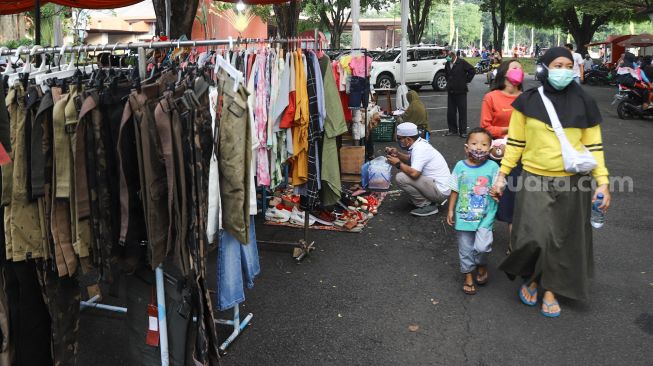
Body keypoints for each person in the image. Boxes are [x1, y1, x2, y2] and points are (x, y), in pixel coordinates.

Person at [490, 47, 611, 318]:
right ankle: (532, 275)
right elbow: (516, 143)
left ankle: (549, 289)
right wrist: (502, 175)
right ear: (545, 67)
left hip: (573, 181)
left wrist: (602, 182)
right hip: (533, 177)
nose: (564, 70)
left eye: (569, 65)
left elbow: (594, 146)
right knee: (533, 236)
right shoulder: (528, 101)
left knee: (562, 239)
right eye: (558, 64)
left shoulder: (585, 102)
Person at [446, 127, 500, 295]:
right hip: (464, 217)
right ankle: (468, 276)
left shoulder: (493, 167)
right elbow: (455, 189)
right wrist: (450, 210)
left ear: (490, 149)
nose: (478, 147)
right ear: (466, 147)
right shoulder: (460, 167)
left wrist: (498, 192)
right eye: (474, 143)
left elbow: (499, 186)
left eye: (484, 144)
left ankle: (482, 264)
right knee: (465, 248)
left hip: (485, 216)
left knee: (483, 247)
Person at [480, 60, 524, 253]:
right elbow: (485, 127)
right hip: (496, 155)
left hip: (520, 155)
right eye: (515, 67)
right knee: (490, 196)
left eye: (521, 68)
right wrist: (508, 129)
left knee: (513, 198)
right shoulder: (491, 97)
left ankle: (514, 244)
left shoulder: (527, 98)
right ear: (504, 72)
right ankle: (481, 239)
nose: (519, 70)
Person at [386, 122, 451, 217]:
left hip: (440, 191)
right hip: (439, 186)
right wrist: (398, 154)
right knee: (405, 174)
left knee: (401, 177)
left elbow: (414, 173)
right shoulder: (419, 144)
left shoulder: (420, 149)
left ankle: (426, 205)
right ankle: (427, 200)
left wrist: (398, 164)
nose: (398, 141)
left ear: (408, 139)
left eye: (400, 138)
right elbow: (411, 160)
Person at [444, 51, 476, 138]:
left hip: (461, 91)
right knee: (451, 112)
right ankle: (452, 130)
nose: (447, 58)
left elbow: (472, 70)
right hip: (451, 91)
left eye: (448, 57)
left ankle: (463, 131)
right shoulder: (447, 63)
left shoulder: (461, 62)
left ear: (453, 56)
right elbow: (446, 74)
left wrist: (466, 80)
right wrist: (449, 82)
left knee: (462, 112)